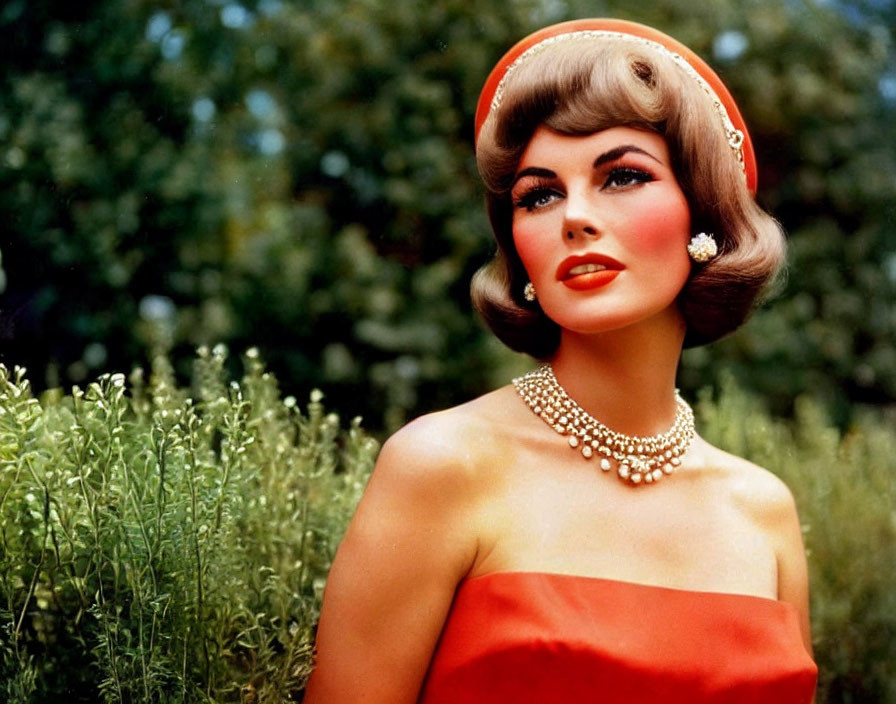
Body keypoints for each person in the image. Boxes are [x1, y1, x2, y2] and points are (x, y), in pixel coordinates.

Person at [304, 18, 818, 704]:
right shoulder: (442, 465)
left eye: (623, 176)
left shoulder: (764, 511)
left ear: (706, 215)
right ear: (518, 249)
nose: (573, 217)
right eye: (538, 194)